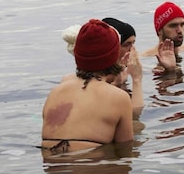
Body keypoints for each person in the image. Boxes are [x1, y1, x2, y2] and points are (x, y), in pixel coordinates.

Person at [41, 19, 134, 154]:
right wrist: (137, 80)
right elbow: (125, 153)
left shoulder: (55, 92)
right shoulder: (119, 98)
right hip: (92, 168)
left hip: (54, 171)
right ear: (113, 58)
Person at [142, 1, 184, 73]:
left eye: (182, 24)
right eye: (173, 26)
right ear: (159, 30)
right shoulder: (144, 58)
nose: (180, 30)